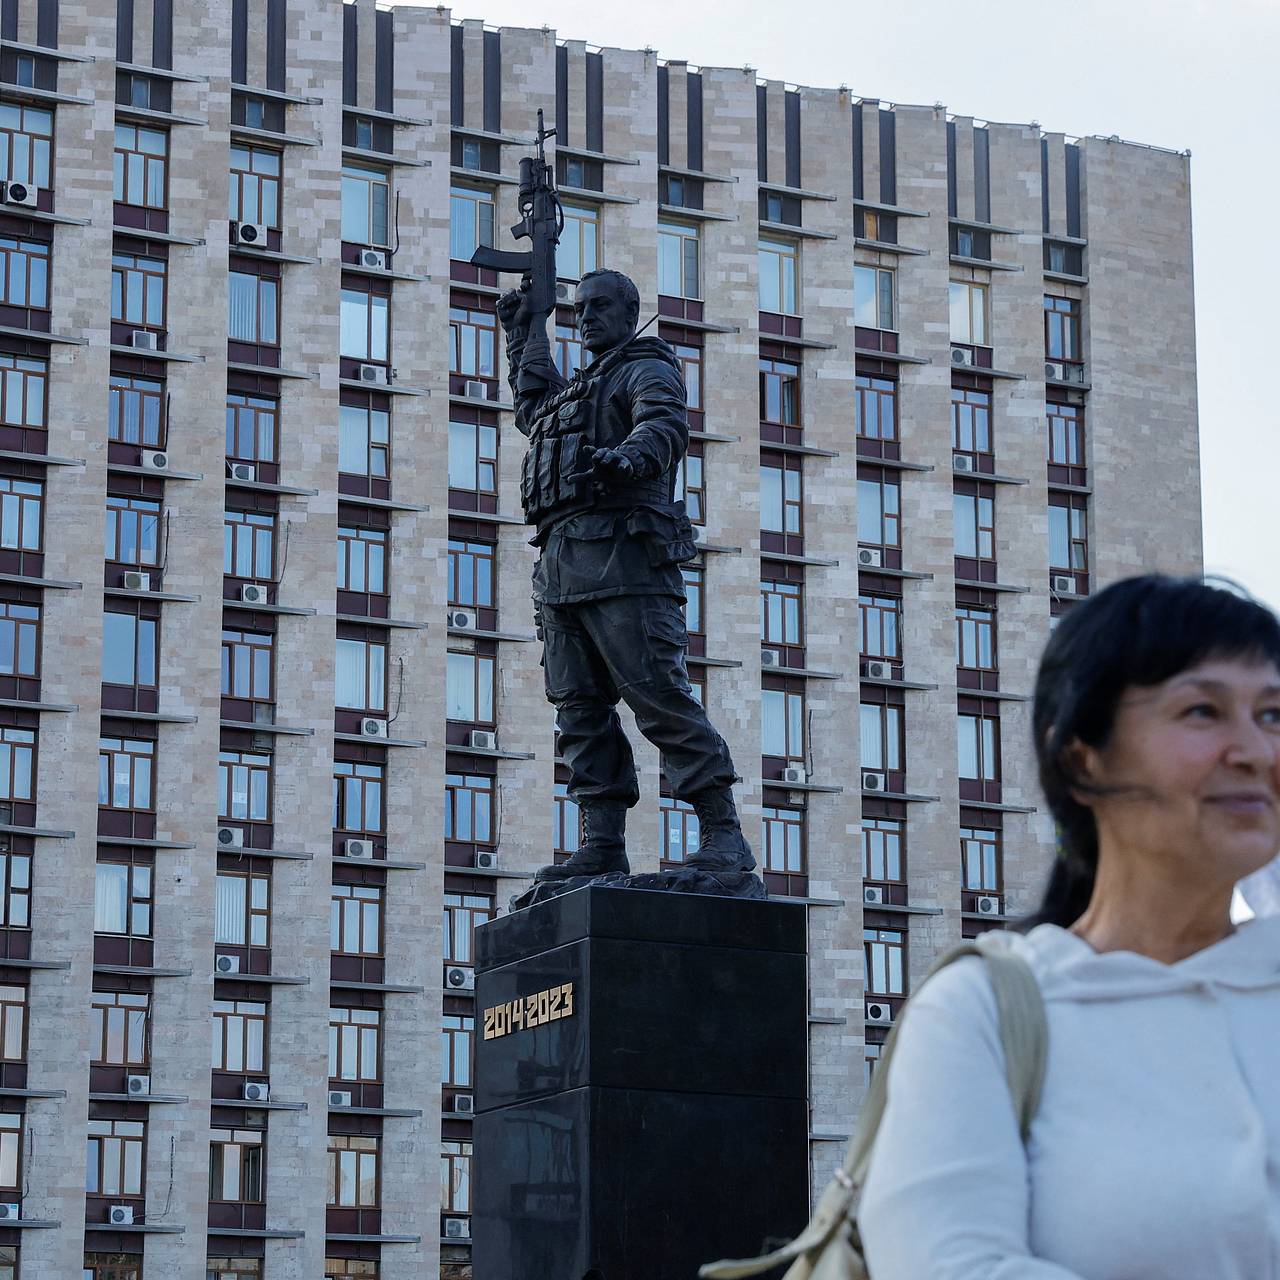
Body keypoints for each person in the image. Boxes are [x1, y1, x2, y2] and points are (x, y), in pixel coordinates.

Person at [857, 575, 1280, 1278]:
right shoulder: (986, 1012)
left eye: (1273, 716)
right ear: (1082, 756)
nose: (1255, 751)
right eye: (1204, 711)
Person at [496, 267, 754, 883]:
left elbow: (662, 424)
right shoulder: (579, 387)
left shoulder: (646, 368)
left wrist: (630, 455)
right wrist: (524, 331)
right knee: (579, 710)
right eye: (578, 309)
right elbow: (536, 410)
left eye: (599, 306)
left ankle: (724, 837)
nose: (585, 317)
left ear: (629, 309)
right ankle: (602, 840)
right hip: (559, 567)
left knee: (657, 698)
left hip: (626, 560)